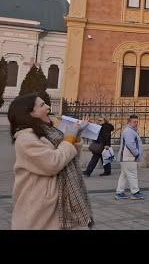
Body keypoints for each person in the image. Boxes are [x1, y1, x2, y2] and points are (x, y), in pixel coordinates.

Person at [9, 94, 94, 229]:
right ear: (30, 113)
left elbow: (70, 157)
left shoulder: (49, 132)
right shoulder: (25, 138)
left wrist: (75, 135)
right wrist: (69, 138)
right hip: (39, 208)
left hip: (59, 203)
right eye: (42, 105)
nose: (48, 107)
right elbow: (52, 163)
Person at [115, 114, 144, 200]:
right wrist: (136, 153)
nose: (136, 123)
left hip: (126, 157)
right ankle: (135, 192)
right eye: (134, 122)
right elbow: (130, 144)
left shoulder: (130, 131)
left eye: (137, 122)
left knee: (123, 175)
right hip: (129, 157)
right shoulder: (129, 131)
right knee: (132, 174)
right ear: (129, 122)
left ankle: (119, 193)